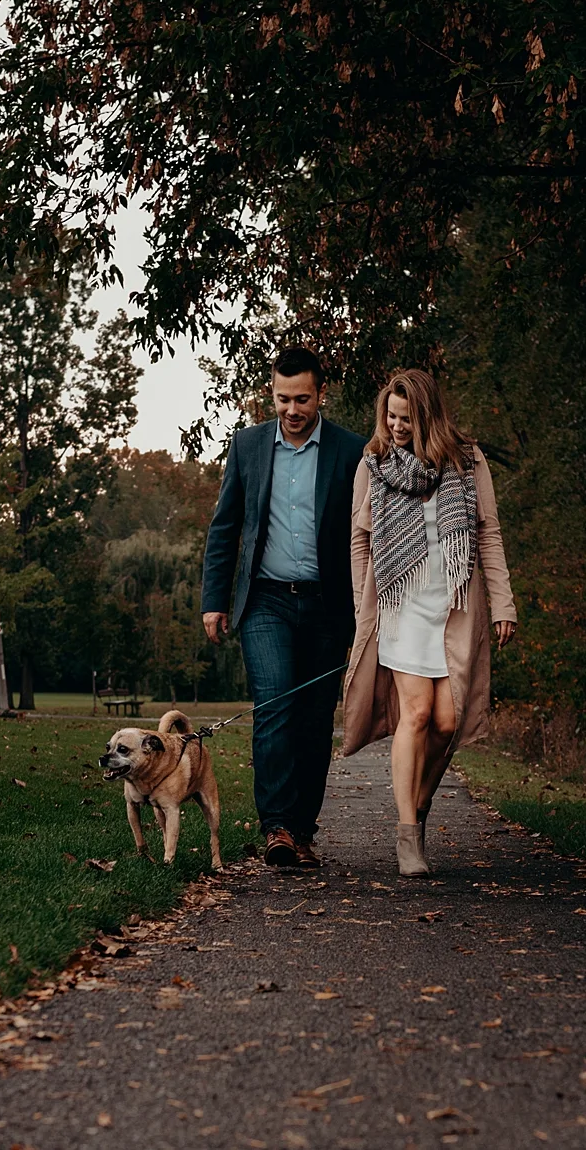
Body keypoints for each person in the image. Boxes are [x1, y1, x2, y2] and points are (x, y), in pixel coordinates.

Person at [340, 369, 517, 876]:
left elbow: (487, 533)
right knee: (415, 714)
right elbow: (360, 540)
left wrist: (503, 602)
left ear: (428, 416)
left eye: (406, 418)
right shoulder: (373, 464)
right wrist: (362, 609)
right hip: (400, 606)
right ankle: (407, 838)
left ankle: (417, 804)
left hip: (454, 604)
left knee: (446, 721)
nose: (396, 426)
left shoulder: (467, 460)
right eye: (390, 416)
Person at [202, 347, 369, 869]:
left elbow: (367, 532)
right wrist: (214, 601)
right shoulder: (248, 446)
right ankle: (275, 827)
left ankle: (302, 828)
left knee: (315, 720)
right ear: (271, 394)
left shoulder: (351, 451)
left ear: (321, 394)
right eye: (282, 398)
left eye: (302, 398)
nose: (291, 409)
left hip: (327, 606)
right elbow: (225, 527)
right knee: (274, 707)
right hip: (266, 602)